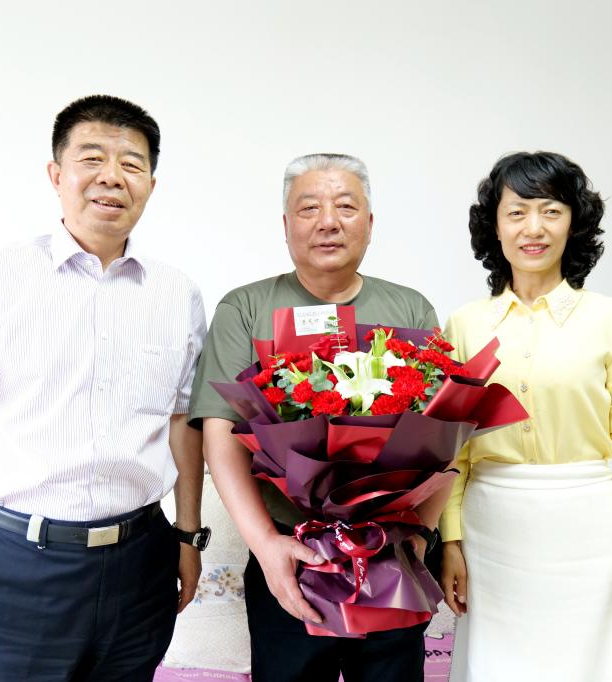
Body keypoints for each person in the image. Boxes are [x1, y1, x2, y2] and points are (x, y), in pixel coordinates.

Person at [0, 94, 209, 681]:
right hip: (20, 564)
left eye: (131, 163)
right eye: (92, 158)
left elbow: (183, 423)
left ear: (151, 185)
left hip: (142, 563)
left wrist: (187, 535)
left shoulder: (178, 294)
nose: (112, 176)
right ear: (56, 175)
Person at [189, 153, 445, 682]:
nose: (328, 221)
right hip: (290, 551)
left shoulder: (411, 309)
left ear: (369, 223)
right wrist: (266, 545)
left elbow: (442, 436)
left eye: (345, 207)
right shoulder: (245, 309)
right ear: (286, 225)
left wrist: (419, 536)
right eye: (309, 208)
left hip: (391, 553)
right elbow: (220, 434)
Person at [440, 151, 612, 682]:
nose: (533, 228)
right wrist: (451, 542)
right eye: (516, 212)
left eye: (551, 211)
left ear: (574, 222)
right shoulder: (465, 325)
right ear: (495, 226)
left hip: (590, 530)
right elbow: (452, 449)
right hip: (491, 532)